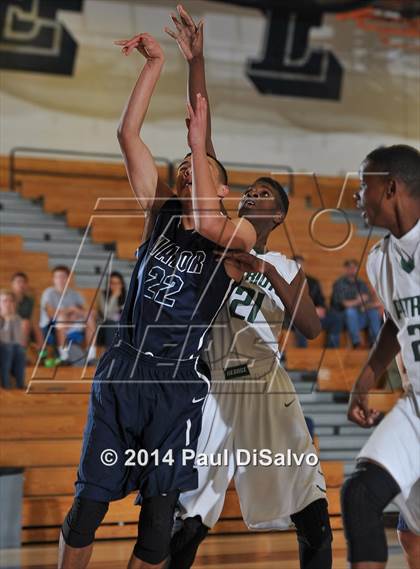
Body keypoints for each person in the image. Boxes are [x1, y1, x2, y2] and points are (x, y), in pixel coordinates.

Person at [58, 31, 255, 569]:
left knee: (154, 535)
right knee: (85, 510)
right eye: (185, 166)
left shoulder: (239, 238)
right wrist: (160, 64)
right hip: (125, 374)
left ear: (222, 188)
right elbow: (128, 134)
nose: (186, 168)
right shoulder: (160, 214)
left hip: (175, 388)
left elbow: (209, 213)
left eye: (199, 168)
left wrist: (199, 146)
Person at [165, 7, 332, 569]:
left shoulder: (285, 260)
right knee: (190, 520)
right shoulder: (214, 239)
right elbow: (201, 136)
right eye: (249, 188)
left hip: (265, 388)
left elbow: (310, 328)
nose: (251, 195)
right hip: (213, 393)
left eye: (264, 192)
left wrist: (270, 274)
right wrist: (198, 62)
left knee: (312, 517)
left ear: (279, 212)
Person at [341, 144, 420, 568]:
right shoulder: (378, 261)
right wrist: (364, 381)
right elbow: (394, 323)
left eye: (362, 185)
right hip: (416, 404)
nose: (357, 197)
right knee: (360, 496)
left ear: (391, 188)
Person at [40, 265, 96, 364]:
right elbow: (51, 314)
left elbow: (90, 311)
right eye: (58, 277)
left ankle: (91, 354)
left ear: (68, 278)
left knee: (90, 318)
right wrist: (70, 310)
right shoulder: (48, 293)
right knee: (62, 318)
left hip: (72, 323)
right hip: (52, 325)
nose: (60, 280)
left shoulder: (75, 294)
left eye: (63, 277)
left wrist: (75, 311)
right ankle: (64, 356)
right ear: (54, 279)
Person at [292, 255, 342, 348]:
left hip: (314, 316)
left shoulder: (313, 282)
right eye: (296, 264)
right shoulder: (285, 281)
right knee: (300, 320)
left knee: (336, 318)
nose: (299, 267)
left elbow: (320, 300)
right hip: (295, 317)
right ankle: (302, 353)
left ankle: (331, 349)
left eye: (301, 264)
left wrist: (321, 308)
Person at [330, 259, 382, 348]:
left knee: (373, 313)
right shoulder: (339, 284)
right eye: (350, 268)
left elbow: (367, 301)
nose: (352, 270)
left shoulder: (361, 283)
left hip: (360, 315)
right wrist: (358, 301)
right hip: (342, 316)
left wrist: (364, 305)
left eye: (354, 268)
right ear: (345, 269)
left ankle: (375, 342)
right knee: (351, 311)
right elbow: (345, 304)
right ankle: (356, 342)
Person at [0, 290, 26, 389]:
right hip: (2, 346)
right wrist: (7, 321)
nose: (7, 304)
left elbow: (17, 339)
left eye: (10, 301)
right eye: (4, 301)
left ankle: (20, 384)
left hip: (9, 347)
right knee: (8, 348)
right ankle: (5, 384)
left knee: (19, 350)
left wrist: (11, 319)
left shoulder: (16, 318)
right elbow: (4, 339)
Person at [96, 271, 126, 348]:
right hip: (105, 324)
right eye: (112, 283)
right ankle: (110, 353)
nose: (115, 286)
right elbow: (106, 314)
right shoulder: (103, 294)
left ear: (122, 284)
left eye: (117, 283)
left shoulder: (127, 295)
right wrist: (114, 297)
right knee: (111, 324)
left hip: (122, 324)